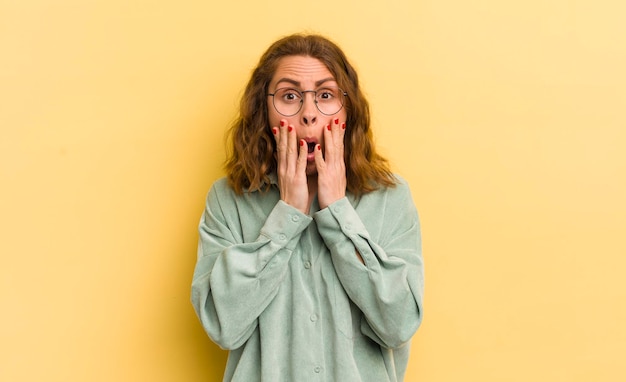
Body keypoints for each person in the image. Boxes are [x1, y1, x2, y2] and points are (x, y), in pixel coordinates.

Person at [191, 33, 424, 382]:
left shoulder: (390, 196)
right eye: (289, 96)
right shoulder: (228, 198)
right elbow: (222, 323)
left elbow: (400, 322)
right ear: (263, 112)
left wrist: (338, 214)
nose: (309, 115)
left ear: (348, 109)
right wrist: (287, 215)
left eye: (326, 95)